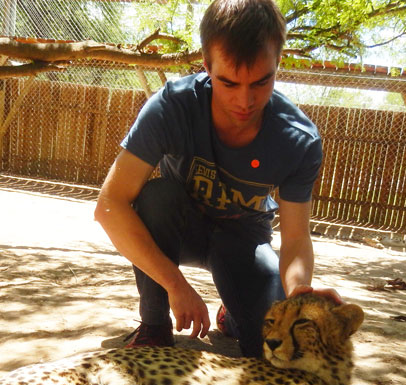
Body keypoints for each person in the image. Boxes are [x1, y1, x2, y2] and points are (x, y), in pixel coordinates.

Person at [94, 0, 341, 357]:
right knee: (156, 196)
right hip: (181, 230)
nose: (245, 100)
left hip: (243, 242)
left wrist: (299, 289)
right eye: (228, 82)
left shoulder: (299, 139)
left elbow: (297, 238)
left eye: (262, 81)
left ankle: (235, 315)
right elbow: (109, 207)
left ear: (278, 64)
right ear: (206, 65)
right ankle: (154, 325)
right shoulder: (171, 107)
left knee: (272, 352)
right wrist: (176, 285)